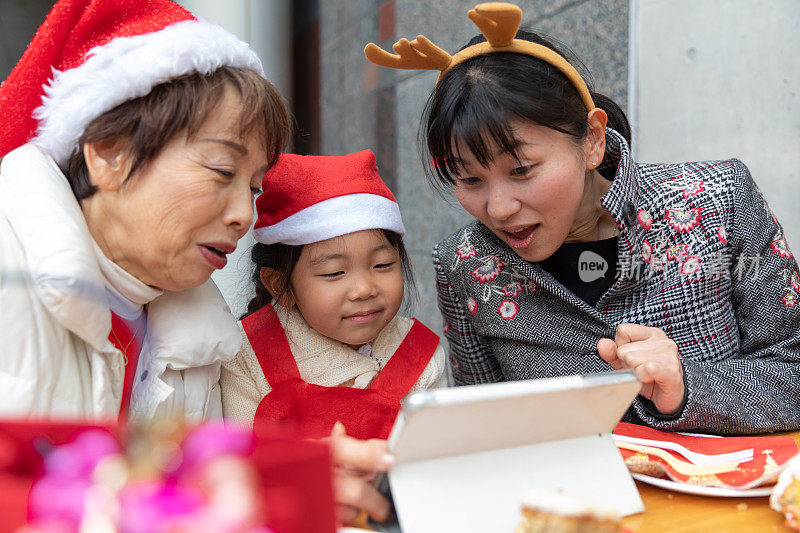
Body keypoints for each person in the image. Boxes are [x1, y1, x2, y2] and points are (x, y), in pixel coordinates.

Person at [365, 2, 800, 434]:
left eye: (521, 170)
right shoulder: (464, 266)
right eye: (469, 178)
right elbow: (487, 430)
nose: (498, 209)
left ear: (591, 139)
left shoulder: (718, 203)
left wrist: (688, 388)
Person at [0, 0, 290, 421]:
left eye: (253, 187)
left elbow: (192, 483)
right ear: (108, 155)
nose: (245, 215)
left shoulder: (202, 340)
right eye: (222, 170)